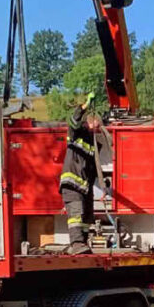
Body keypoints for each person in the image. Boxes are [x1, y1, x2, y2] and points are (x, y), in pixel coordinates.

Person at [59, 92, 100, 255]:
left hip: (83, 188)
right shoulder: (76, 134)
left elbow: (91, 167)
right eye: (98, 124)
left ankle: (82, 242)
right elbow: (74, 121)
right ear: (90, 122)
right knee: (76, 215)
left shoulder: (91, 142)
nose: (99, 128)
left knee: (85, 217)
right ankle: (76, 243)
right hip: (72, 186)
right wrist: (84, 106)